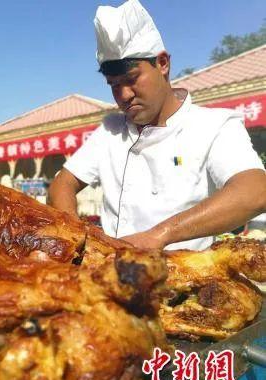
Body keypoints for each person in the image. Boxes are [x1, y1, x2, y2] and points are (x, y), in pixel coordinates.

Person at [48, 0, 266, 250]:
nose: (124, 95)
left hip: (182, 271)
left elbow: (255, 190)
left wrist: (160, 235)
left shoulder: (214, 125)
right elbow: (62, 183)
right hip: (109, 269)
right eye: (114, 85)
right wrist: (74, 237)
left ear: (162, 64)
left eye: (132, 79)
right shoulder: (110, 131)